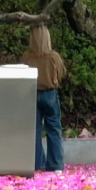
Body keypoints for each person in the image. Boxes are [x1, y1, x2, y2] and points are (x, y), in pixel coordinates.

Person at [22, 25, 67, 172]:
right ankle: (56, 165)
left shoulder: (26, 57)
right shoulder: (54, 57)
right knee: (54, 129)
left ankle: (37, 164)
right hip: (50, 94)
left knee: (34, 130)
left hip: (31, 94)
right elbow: (61, 74)